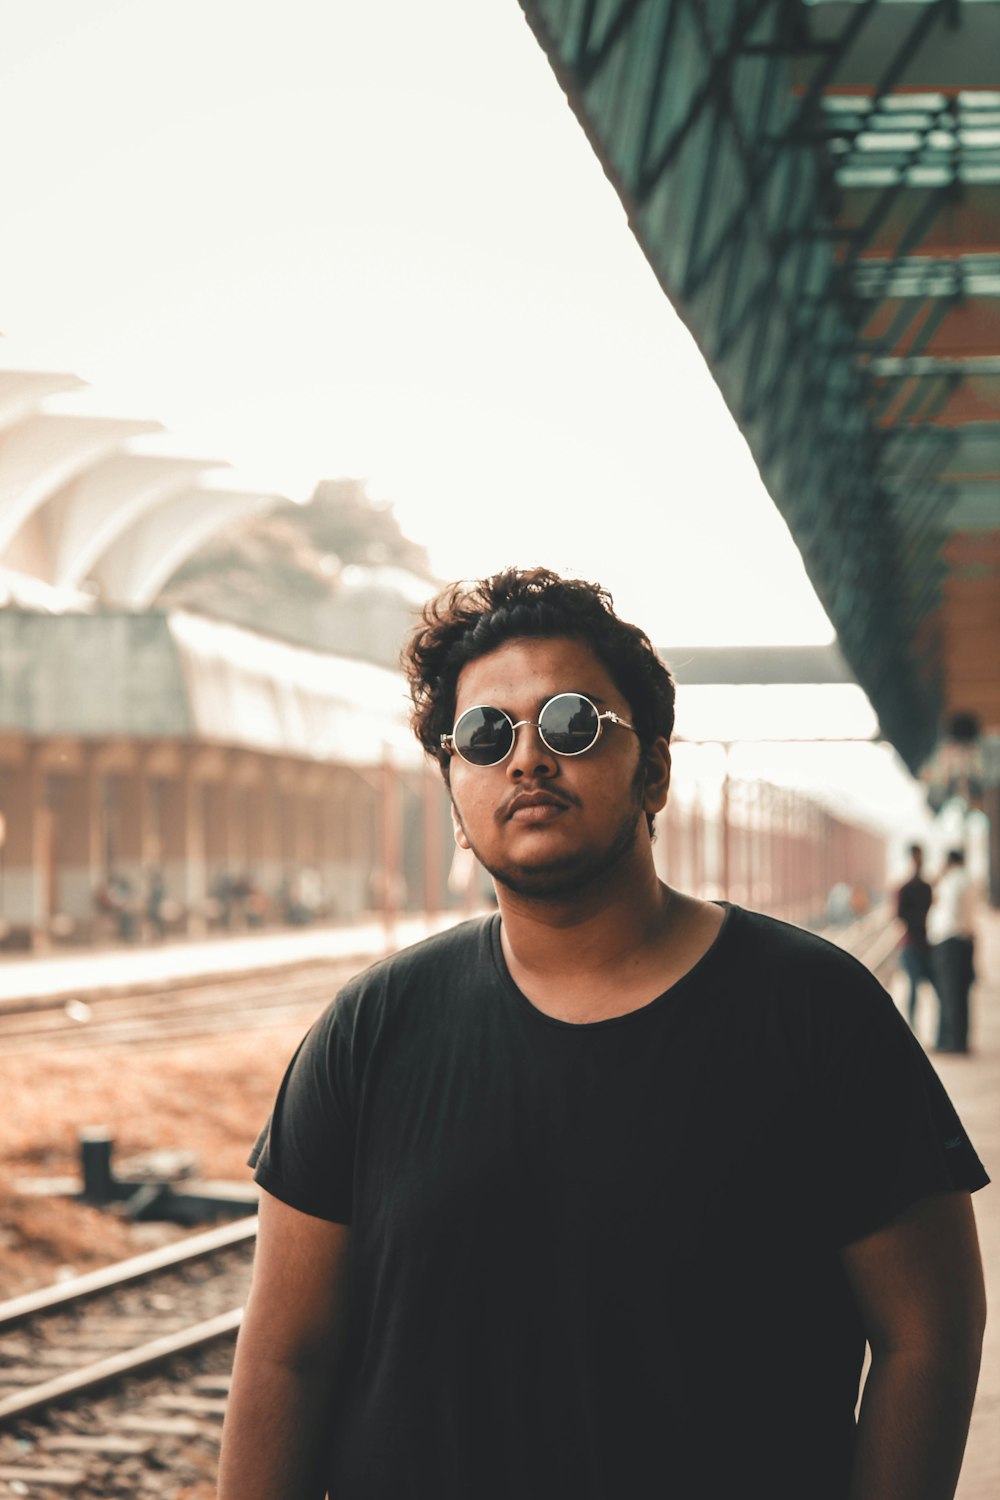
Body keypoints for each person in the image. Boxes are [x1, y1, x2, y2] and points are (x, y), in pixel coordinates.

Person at [219, 568, 989, 1500]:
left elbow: (928, 1334)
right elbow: (286, 1360)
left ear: (654, 770)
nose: (528, 759)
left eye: (573, 722)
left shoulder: (818, 1012)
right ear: (455, 793)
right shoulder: (369, 1031)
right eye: (485, 735)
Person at [928, 849, 978, 1055]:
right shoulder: (968, 880)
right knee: (961, 993)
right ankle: (960, 1039)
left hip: (949, 941)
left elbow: (947, 913)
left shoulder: (952, 882)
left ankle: (951, 1042)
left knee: (949, 993)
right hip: (964, 940)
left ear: (949, 861)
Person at [896, 842, 936, 1030]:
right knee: (913, 987)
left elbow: (900, 915)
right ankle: (911, 1027)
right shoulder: (916, 887)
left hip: (918, 943)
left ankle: (914, 1027)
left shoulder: (915, 887)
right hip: (914, 943)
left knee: (916, 987)